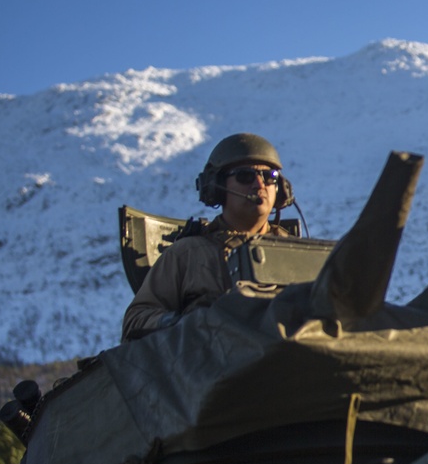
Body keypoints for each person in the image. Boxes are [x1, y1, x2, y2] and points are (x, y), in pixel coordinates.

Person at [121, 133, 297, 341]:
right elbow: (136, 321)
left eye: (270, 177)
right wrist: (185, 323)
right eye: (245, 176)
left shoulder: (296, 253)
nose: (259, 185)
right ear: (216, 187)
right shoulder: (188, 254)